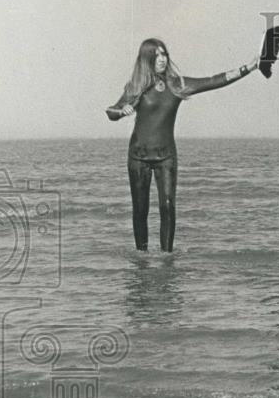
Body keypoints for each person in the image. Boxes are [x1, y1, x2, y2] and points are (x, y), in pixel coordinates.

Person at [106, 39, 258, 252]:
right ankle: (141, 260)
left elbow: (213, 81)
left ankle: (167, 259)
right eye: (157, 55)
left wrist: (248, 68)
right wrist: (121, 111)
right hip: (138, 157)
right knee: (140, 210)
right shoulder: (136, 87)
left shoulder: (176, 84)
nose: (162, 59)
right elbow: (111, 111)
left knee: (168, 207)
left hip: (166, 156)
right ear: (147, 59)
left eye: (164, 54)